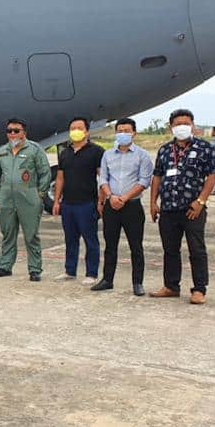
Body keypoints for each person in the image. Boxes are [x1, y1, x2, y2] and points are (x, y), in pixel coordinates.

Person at [150, 109, 215, 305]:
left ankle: (199, 289)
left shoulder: (204, 147)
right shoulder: (164, 150)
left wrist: (201, 201)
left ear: (192, 125)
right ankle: (171, 286)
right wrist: (153, 202)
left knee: (196, 249)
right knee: (170, 249)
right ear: (171, 126)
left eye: (186, 123)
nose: (182, 126)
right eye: (178, 123)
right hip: (168, 208)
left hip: (192, 208)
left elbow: (212, 175)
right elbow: (157, 176)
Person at [92, 118, 153, 296]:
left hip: (132, 206)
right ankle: (107, 279)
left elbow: (144, 181)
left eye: (127, 130)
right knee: (110, 245)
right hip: (111, 204)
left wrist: (124, 198)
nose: (123, 133)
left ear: (134, 133)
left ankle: (137, 282)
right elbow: (103, 178)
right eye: (120, 130)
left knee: (136, 246)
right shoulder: (107, 155)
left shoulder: (142, 155)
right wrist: (109, 197)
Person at [0, 118, 52, 281]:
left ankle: (34, 269)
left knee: (31, 235)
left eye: (16, 131)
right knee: (8, 234)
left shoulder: (34, 149)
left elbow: (45, 172)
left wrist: (40, 194)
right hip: (6, 199)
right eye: (9, 131)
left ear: (24, 132)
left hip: (29, 199)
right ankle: (5, 266)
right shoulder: (2, 151)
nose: (12, 134)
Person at [52, 117, 104, 286]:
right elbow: (60, 178)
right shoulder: (65, 153)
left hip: (87, 202)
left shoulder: (96, 151)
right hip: (68, 203)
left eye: (79, 128)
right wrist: (56, 201)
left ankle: (92, 273)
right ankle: (70, 270)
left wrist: (101, 201)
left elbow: (102, 177)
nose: (75, 131)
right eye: (72, 128)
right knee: (70, 239)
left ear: (87, 131)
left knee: (90, 239)